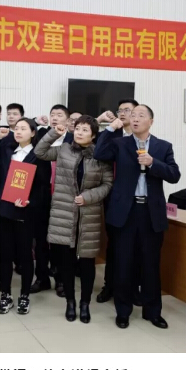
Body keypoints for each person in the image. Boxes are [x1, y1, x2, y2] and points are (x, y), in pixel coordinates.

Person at [94, 105, 181, 330]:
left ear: (151, 121)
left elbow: (174, 175)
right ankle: (123, 312)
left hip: (150, 213)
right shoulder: (120, 144)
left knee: (151, 264)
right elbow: (99, 153)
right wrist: (110, 128)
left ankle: (153, 312)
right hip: (125, 211)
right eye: (133, 115)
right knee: (123, 264)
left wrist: (153, 163)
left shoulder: (163, 146)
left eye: (141, 115)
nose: (135, 119)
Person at [35, 115, 113, 324]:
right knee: (66, 263)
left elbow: (107, 184)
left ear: (94, 135)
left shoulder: (101, 155)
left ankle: (85, 303)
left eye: (85, 130)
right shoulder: (64, 150)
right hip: (64, 213)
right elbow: (40, 152)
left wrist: (88, 197)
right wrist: (54, 133)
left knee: (87, 263)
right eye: (77, 128)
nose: (79, 132)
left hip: (88, 214)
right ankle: (70, 302)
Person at [0, 118, 51, 315]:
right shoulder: (7, 151)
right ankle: (5, 294)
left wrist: (30, 201)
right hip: (5, 209)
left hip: (26, 211)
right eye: (16, 128)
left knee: (25, 255)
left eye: (23, 128)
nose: (18, 131)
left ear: (33, 133)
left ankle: (24, 295)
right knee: (5, 255)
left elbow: (43, 186)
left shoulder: (39, 155)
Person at [94, 98, 139, 304]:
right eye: (120, 110)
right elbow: (99, 153)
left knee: (136, 246)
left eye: (127, 110)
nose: (122, 113)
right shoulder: (113, 136)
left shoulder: (143, 137)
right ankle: (109, 285)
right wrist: (110, 128)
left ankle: (133, 288)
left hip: (138, 199)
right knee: (114, 245)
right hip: (115, 199)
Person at [31, 104, 72, 297]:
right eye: (52, 114)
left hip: (64, 195)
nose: (55, 118)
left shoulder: (73, 139)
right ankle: (42, 278)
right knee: (40, 239)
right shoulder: (42, 135)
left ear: (68, 119)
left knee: (60, 240)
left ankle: (61, 279)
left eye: (59, 115)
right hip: (42, 192)